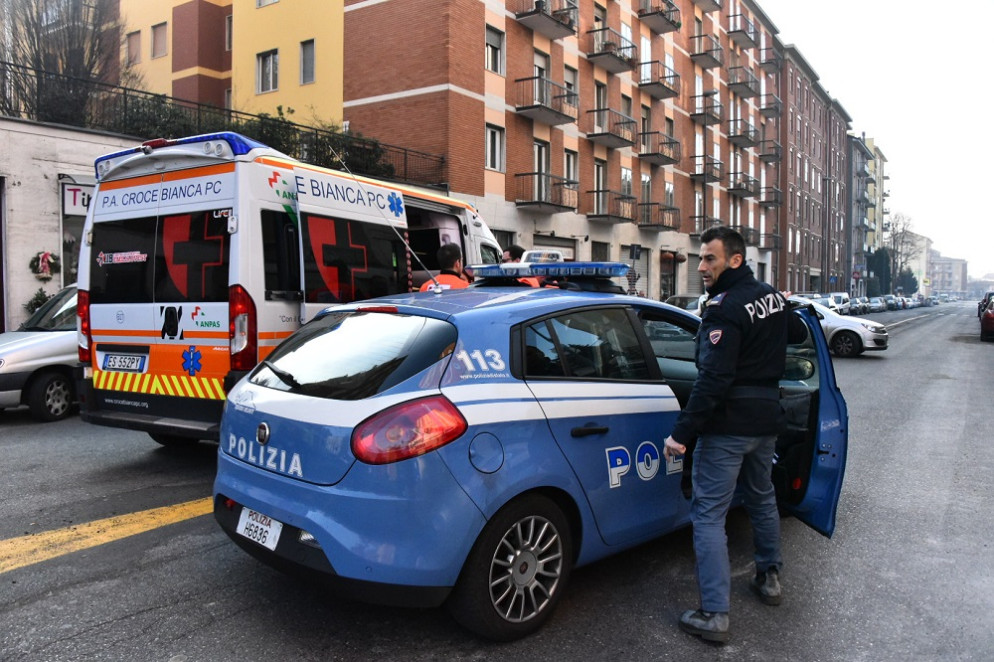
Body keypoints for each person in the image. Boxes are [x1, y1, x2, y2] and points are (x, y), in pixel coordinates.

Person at [662, 226, 804, 644]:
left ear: (735, 260)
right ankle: (769, 579)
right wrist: (783, 307)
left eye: (710, 258)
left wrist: (681, 434)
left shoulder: (724, 309)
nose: (701, 266)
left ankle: (714, 614)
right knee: (762, 498)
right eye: (701, 258)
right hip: (766, 421)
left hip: (727, 426)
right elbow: (797, 334)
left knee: (708, 514)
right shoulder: (770, 297)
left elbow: (714, 379)